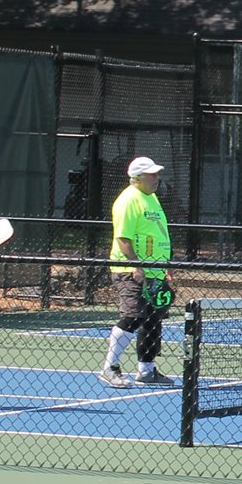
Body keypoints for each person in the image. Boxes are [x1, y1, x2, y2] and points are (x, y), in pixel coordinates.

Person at [99, 156, 176, 388]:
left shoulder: (151, 198)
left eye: (157, 174)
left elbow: (159, 234)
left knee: (153, 320)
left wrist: (166, 268)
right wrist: (136, 265)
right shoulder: (128, 200)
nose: (157, 178)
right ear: (138, 178)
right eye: (152, 174)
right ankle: (109, 367)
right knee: (133, 317)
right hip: (130, 270)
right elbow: (123, 238)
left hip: (155, 271)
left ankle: (146, 369)